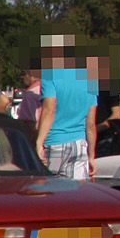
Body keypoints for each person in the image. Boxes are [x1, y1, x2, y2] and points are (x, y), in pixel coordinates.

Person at [36, 40, 96, 179]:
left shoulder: (49, 76)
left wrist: (39, 142)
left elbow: (49, 110)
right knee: (77, 195)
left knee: (48, 192)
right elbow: (91, 124)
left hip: (54, 141)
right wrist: (91, 155)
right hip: (79, 144)